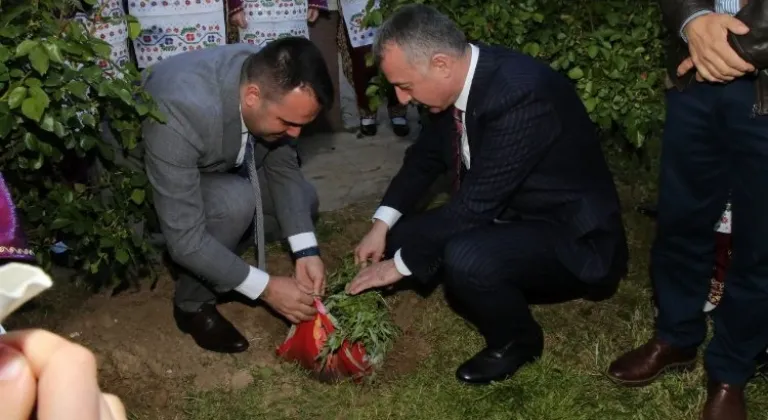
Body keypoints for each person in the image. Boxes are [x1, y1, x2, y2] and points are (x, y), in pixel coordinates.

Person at [347, 5, 628, 385]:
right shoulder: (462, 77)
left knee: (464, 258)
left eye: (405, 85)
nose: (401, 97)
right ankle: (434, 259)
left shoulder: (521, 95)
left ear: (441, 64)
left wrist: (397, 266)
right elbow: (424, 160)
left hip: (574, 238)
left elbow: (473, 208)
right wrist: (381, 225)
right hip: (509, 213)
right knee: (402, 237)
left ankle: (517, 340)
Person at [606, 2, 768, 419]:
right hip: (693, 76)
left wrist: (735, 45)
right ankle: (676, 336)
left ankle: (731, 369)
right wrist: (693, 21)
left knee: (761, 245)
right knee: (680, 219)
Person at [141, 37, 334, 354]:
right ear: (252, 97)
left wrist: (305, 251)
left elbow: (282, 167)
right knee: (234, 203)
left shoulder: (263, 74)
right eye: (287, 122)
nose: (295, 134)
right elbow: (186, 238)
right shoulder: (177, 109)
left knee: (303, 199)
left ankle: (218, 254)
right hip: (158, 183)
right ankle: (192, 305)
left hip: (217, 163)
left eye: (301, 124)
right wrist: (267, 289)